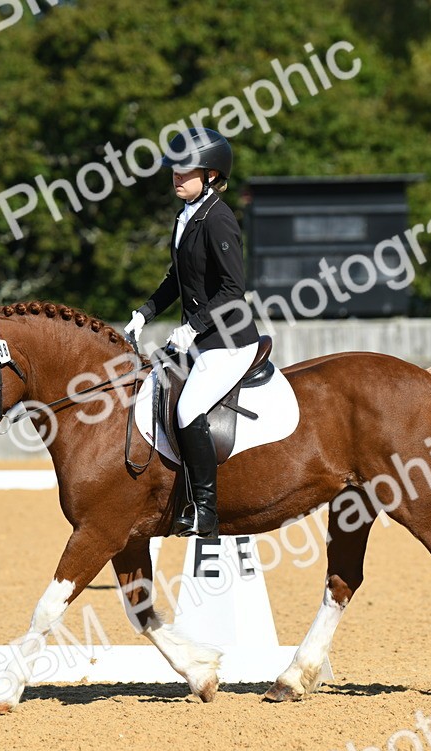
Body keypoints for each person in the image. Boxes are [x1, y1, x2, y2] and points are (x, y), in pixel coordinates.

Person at [123, 128, 260, 537]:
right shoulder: (187, 216)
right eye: (175, 170)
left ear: (212, 174)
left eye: (186, 170)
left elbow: (233, 290)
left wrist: (193, 327)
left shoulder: (219, 218)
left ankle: (204, 509)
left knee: (187, 409)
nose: (177, 176)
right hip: (199, 338)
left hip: (228, 339)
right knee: (154, 392)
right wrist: (145, 312)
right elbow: (176, 278)